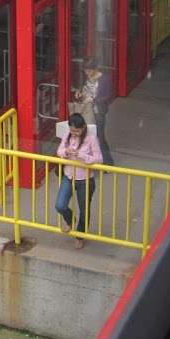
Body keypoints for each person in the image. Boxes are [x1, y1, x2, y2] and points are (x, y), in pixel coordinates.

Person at [55, 113, 102, 249]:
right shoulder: (68, 136)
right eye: (72, 130)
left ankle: (80, 235)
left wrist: (81, 155)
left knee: (84, 209)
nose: (74, 133)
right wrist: (66, 152)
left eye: (77, 131)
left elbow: (99, 158)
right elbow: (59, 150)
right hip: (69, 176)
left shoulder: (91, 139)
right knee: (60, 205)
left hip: (85, 179)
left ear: (83, 128)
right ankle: (70, 219)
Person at [76, 60, 113, 165]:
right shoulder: (87, 77)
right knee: (87, 135)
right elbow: (84, 88)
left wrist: (93, 100)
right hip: (86, 110)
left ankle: (108, 162)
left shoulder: (105, 79)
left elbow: (108, 95)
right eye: (85, 71)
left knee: (99, 136)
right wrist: (79, 93)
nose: (87, 73)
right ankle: (90, 159)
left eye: (89, 71)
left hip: (98, 111)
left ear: (96, 69)